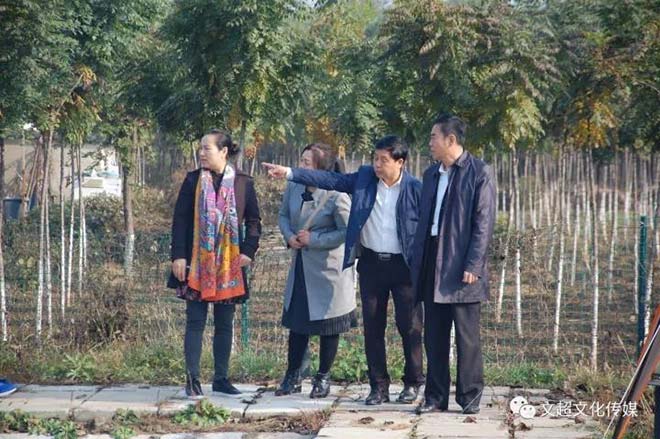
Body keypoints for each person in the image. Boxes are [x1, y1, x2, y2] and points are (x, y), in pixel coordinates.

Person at [263, 136, 424, 405]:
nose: (377, 164)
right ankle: (378, 387)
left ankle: (413, 382)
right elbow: (331, 180)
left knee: (409, 327)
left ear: (400, 162)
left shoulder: (416, 189)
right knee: (373, 328)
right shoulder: (365, 179)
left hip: (404, 267)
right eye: (375, 158)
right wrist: (289, 173)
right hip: (372, 264)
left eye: (383, 160)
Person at [410, 114, 496, 415]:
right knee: (434, 334)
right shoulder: (431, 174)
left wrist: (474, 264)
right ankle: (435, 397)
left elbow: (483, 223)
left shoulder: (479, 172)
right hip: (432, 259)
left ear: (451, 140)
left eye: (434, 137)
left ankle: (470, 397)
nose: (430, 142)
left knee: (466, 337)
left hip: (461, 262)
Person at [168, 129, 262, 398]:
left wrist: (249, 250)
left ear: (223, 151)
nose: (201, 153)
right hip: (197, 263)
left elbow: (254, 221)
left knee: (224, 323)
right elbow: (180, 220)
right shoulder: (193, 180)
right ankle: (192, 379)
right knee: (195, 321)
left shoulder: (242, 182)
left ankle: (221, 378)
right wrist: (178, 255)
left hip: (229, 265)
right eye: (200, 148)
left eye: (206, 148)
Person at [275, 143, 357, 399]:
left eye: (307, 163)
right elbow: (283, 215)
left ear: (321, 169)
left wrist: (315, 240)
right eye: (301, 161)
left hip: (328, 270)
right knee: (297, 324)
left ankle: (323, 377)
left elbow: (347, 230)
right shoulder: (294, 186)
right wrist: (289, 237)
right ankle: (293, 375)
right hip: (302, 267)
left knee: (328, 326)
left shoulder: (336, 194)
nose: (301, 166)